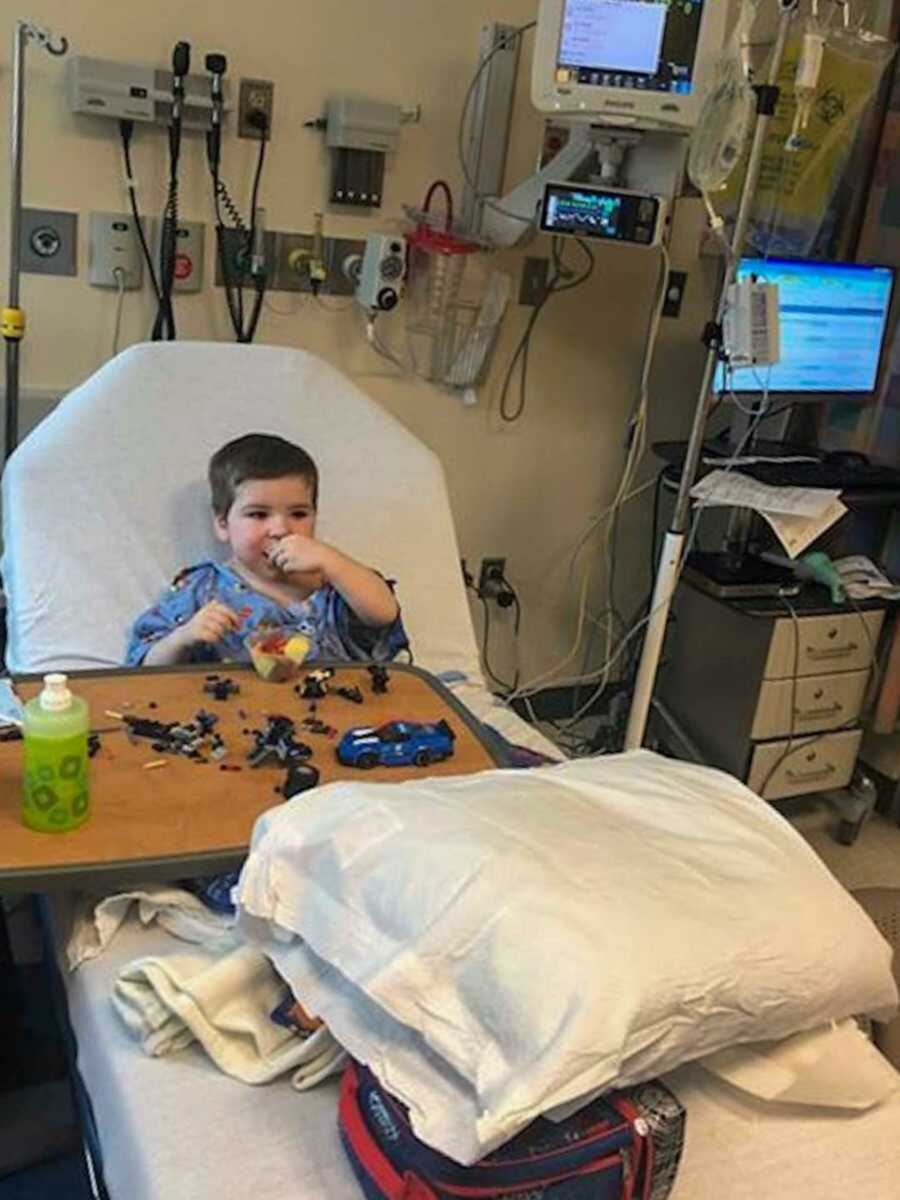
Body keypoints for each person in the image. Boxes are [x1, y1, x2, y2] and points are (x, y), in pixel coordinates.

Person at [125, 433, 409, 667]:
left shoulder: (338, 582)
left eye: (298, 514)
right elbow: (143, 668)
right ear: (223, 525)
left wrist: (332, 562)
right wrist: (183, 638)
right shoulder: (203, 589)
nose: (280, 529)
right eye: (258, 515)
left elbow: (383, 613)